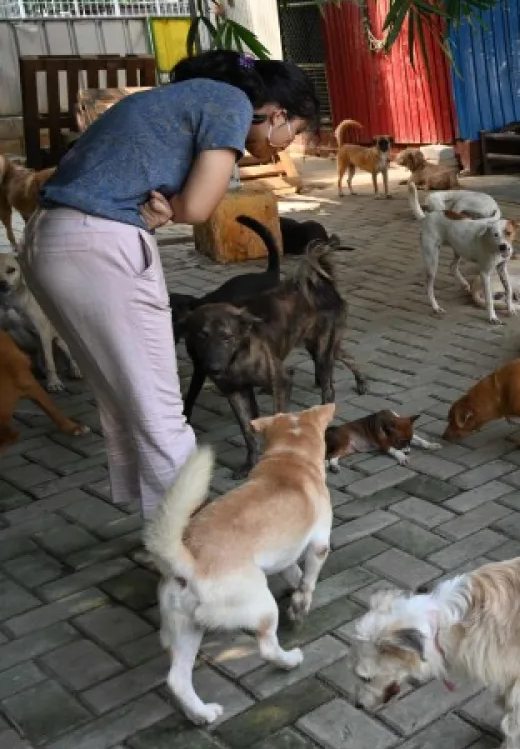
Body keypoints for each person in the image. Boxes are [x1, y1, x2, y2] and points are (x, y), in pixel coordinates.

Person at [19, 50, 319, 514]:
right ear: (278, 112)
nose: (284, 147)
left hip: (48, 239)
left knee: (126, 399)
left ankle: (165, 534)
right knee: (160, 411)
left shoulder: (170, 102)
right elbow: (199, 208)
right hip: (99, 245)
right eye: (293, 132)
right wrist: (175, 209)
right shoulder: (231, 101)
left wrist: (165, 210)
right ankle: (199, 550)